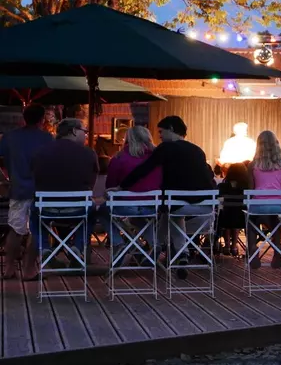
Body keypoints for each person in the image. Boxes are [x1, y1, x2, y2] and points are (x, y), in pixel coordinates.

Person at [113, 116, 215, 279]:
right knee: (172, 213)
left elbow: (145, 169)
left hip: (178, 207)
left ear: (171, 129)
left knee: (171, 210)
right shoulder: (198, 150)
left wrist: (121, 186)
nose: (159, 135)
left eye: (161, 131)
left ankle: (160, 247)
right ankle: (175, 253)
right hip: (206, 210)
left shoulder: (166, 148)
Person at [27, 118, 99, 280]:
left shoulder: (40, 152)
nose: (86, 136)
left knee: (33, 214)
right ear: (74, 131)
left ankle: (44, 247)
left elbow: (35, 177)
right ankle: (78, 247)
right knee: (92, 211)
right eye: (84, 132)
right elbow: (91, 183)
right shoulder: (88, 153)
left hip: (46, 208)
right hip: (78, 208)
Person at [0, 105, 53, 279]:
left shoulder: (10, 137)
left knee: (15, 229)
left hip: (18, 189)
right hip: (40, 190)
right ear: (42, 119)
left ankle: (8, 268)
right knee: (36, 231)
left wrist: (7, 176)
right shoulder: (47, 139)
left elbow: (2, 159)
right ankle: (29, 270)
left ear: (24, 118)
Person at [102, 126, 162, 265]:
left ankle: (118, 243)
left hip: (125, 206)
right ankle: (154, 243)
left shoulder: (119, 157)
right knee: (137, 219)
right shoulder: (157, 158)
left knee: (102, 210)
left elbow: (110, 185)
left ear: (128, 139)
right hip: (152, 206)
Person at [246, 130, 281, 269]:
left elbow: (251, 190)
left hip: (258, 204)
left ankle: (253, 248)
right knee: (274, 219)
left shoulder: (253, 165)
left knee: (251, 219)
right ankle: (277, 248)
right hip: (278, 205)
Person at [217, 162, 250, 256]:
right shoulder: (246, 187)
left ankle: (227, 245)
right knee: (237, 214)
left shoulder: (222, 186)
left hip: (224, 219)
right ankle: (234, 246)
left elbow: (219, 202)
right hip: (242, 220)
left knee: (227, 213)